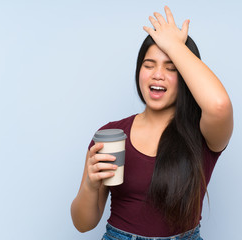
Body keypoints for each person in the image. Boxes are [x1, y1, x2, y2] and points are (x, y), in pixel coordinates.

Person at [71, 6, 233, 240]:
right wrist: (90, 183)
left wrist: (176, 46)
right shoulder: (111, 134)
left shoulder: (205, 133)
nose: (158, 74)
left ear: (186, 76)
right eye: (149, 65)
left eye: (171, 68)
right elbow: (83, 224)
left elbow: (219, 105)